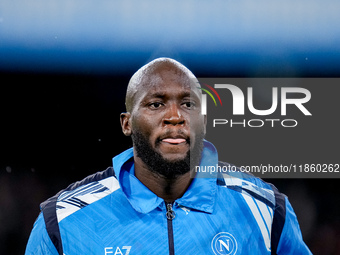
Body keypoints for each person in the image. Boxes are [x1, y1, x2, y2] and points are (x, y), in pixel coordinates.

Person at [25, 58, 312, 255]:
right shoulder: (63, 222)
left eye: (188, 103)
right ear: (127, 123)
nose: (174, 117)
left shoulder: (265, 210)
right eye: (156, 104)